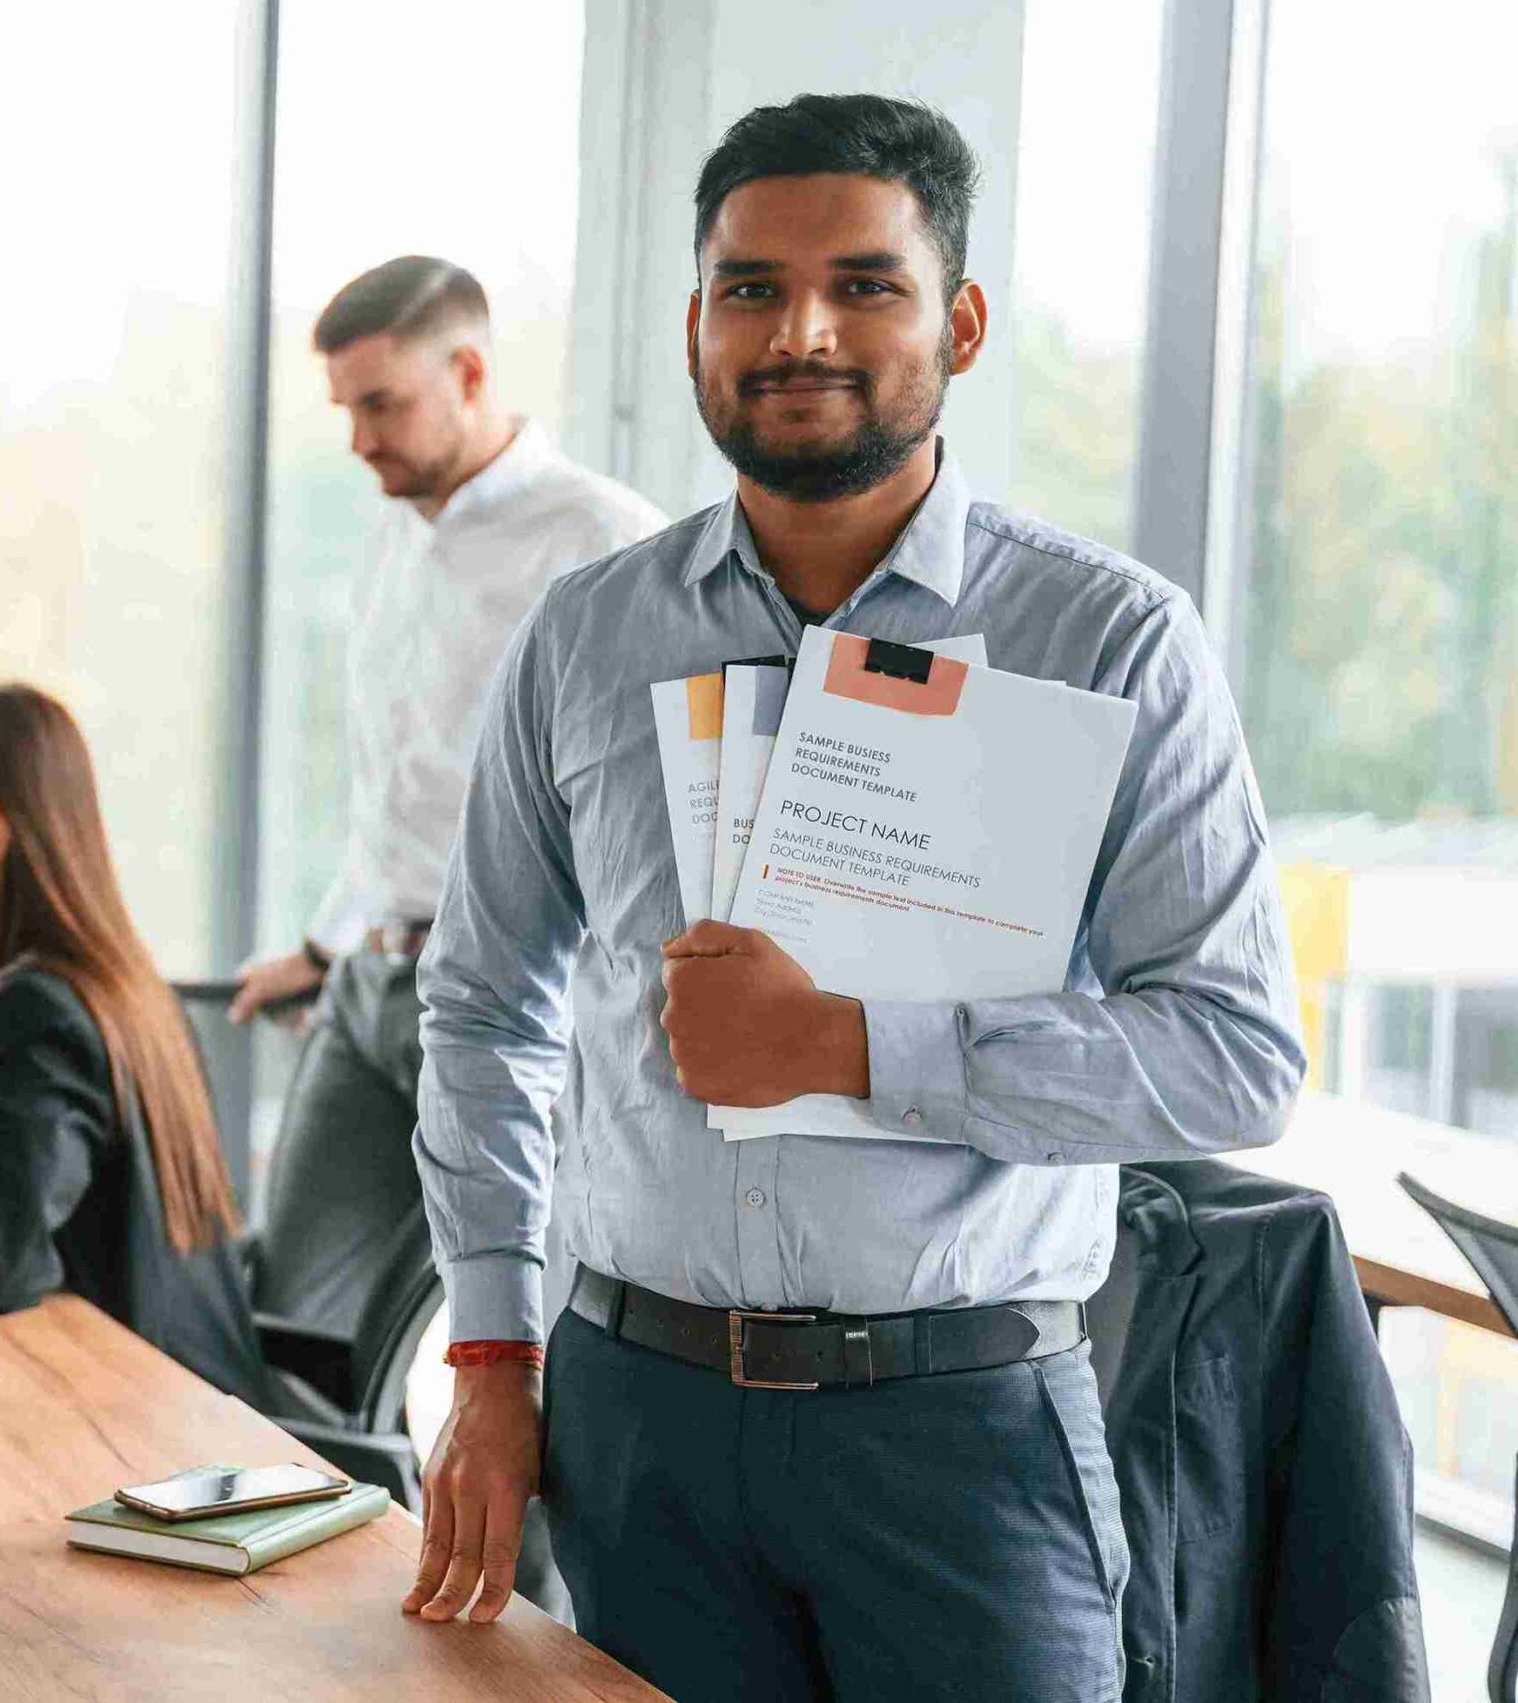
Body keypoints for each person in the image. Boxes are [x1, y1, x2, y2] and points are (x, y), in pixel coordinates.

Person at [402, 94, 1305, 1703]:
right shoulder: (587, 635)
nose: (798, 331)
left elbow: (1238, 1055)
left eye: (864, 284)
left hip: (962, 1434)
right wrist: (488, 1353)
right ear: (694, 324)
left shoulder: (1113, 642)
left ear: (959, 322)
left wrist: (852, 1043)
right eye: (749, 287)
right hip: (637, 1419)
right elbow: (482, 1007)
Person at [225, 256, 662, 1291]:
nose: (359, 439)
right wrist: (322, 945)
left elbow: (641, 814)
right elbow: (398, 788)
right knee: (293, 1306)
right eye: (346, 409)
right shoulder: (390, 539)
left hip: (512, 996)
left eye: (381, 404)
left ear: (468, 373)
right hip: (370, 982)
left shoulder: (603, 541)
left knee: (517, 1309)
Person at [0, 685, 273, 1406]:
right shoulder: (120, 985)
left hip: (155, 1429)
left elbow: (0, 1268)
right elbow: (70, 1212)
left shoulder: (35, 1009)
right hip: (192, 1404)